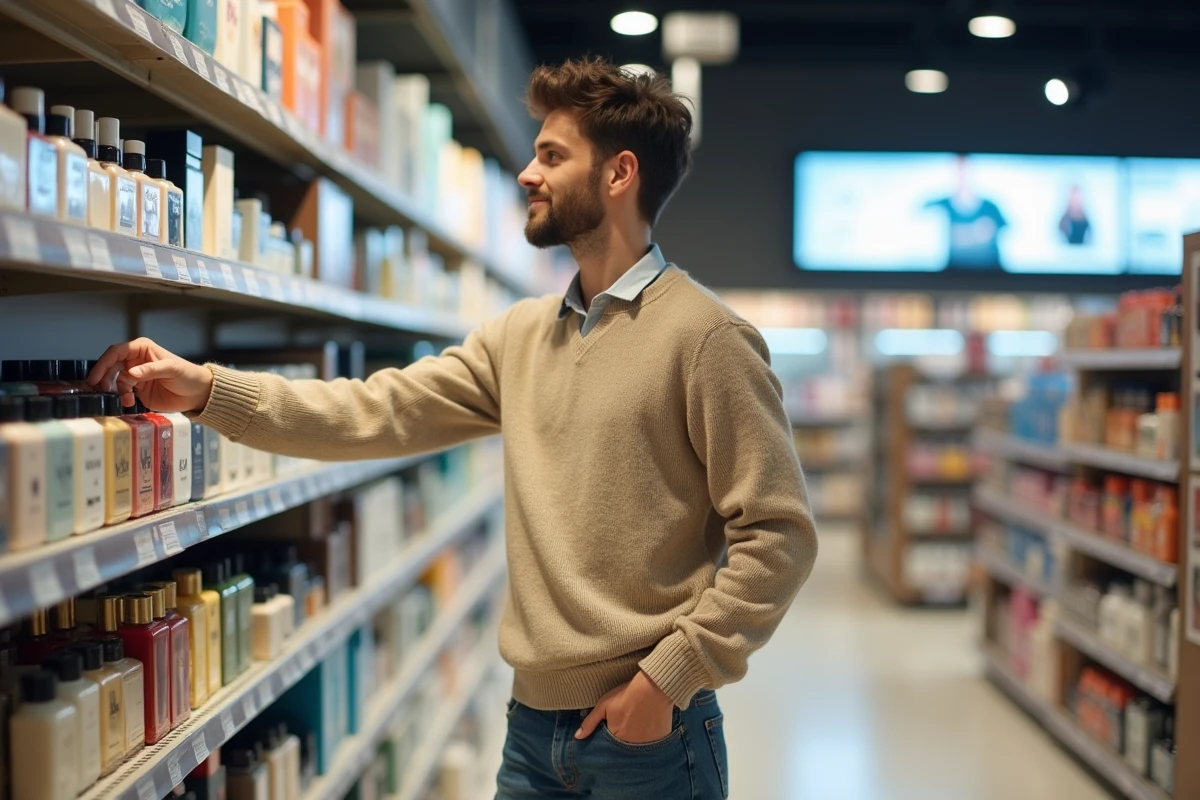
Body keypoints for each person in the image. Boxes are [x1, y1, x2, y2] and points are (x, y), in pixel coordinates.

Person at [87, 57, 817, 799]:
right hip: (531, 730)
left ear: (619, 174)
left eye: (552, 155)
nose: (528, 175)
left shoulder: (705, 338)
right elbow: (374, 410)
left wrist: (669, 679)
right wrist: (210, 389)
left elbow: (779, 537)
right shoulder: (521, 338)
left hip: (652, 737)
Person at [924, 154, 1008, 270]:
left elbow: (1009, 231)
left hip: (993, 278)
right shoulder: (939, 207)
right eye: (958, 170)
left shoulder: (990, 207)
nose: (962, 176)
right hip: (950, 279)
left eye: (965, 170)